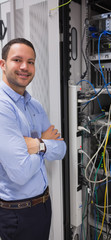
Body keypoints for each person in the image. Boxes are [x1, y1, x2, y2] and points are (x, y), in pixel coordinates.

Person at [0, 38, 66, 240]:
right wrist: (45, 145)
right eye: (17, 60)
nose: (24, 67)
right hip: (18, 214)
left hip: (43, 205)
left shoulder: (34, 105)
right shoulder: (3, 107)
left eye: (31, 62)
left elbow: (61, 149)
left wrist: (37, 145)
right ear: (2, 64)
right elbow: (19, 173)